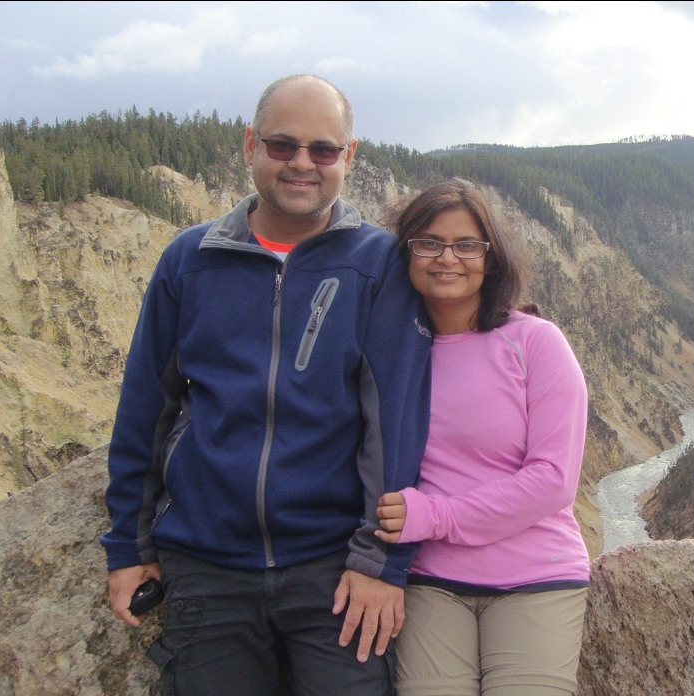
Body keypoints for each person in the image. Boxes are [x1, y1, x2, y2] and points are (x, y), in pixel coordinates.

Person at [100, 74, 432, 695]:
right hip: (205, 568)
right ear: (251, 144)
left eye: (323, 150)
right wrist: (127, 545)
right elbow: (146, 409)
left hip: (334, 572)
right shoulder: (190, 260)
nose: (301, 163)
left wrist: (382, 561)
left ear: (348, 157)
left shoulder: (378, 265)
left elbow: (396, 426)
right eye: (282, 145)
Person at [375, 179, 591, 696]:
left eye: (467, 245)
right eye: (428, 242)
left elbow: (554, 481)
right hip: (431, 583)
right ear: (405, 253)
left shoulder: (535, 343)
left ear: (491, 258)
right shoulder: (391, 355)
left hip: (537, 576)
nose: (447, 258)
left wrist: (436, 515)